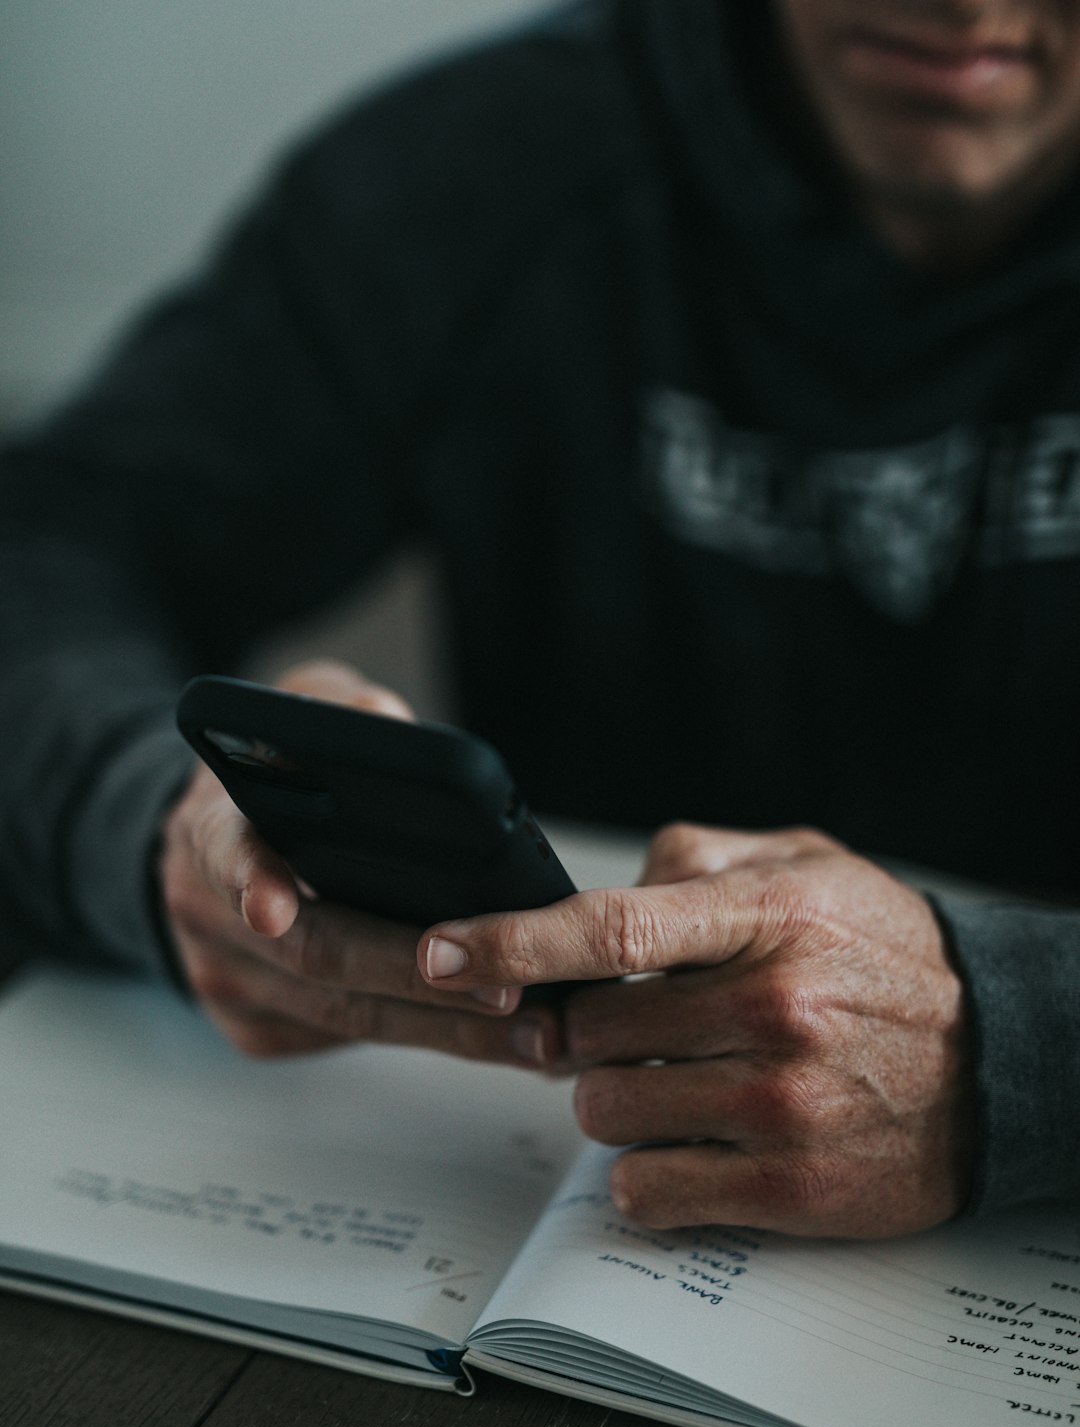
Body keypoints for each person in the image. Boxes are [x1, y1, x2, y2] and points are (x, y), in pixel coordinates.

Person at [2, 0, 1078, 1240]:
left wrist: (1022, 1046)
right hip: (525, 1174)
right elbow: (52, 540)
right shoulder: (491, 163)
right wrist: (149, 828)